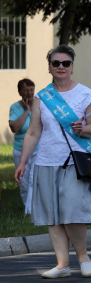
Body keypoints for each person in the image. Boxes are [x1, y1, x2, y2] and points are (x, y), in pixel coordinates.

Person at [14, 45, 91, 278]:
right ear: (49, 67)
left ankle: (83, 256)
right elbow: (33, 132)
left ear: (72, 66)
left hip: (76, 160)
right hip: (46, 160)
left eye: (65, 63)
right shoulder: (41, 98)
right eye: (56, 63)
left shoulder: (85, 94)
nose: (61, 67)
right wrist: (23, 162)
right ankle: (62, 264)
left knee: (72, 210)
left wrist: (83, 129)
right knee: (51, 214)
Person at [10, 78, 35, 208]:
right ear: (20, 92)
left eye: (31, 89)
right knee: (24, 183)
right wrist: (26, 110)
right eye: (25, 90)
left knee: (33, 181)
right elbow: (15, 127)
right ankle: (28, 208)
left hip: (37, 150)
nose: (29, 93)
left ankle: (31, 212)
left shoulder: (39, 105)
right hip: (20, 150)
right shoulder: (15, 107)